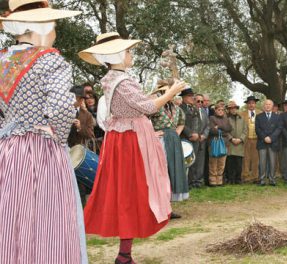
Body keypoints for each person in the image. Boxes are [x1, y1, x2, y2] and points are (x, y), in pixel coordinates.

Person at [79, 32, 186, 263]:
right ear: (117, 53)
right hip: (130, 141)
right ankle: (124, 254)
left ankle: (124, 254)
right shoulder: (122, 80)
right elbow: (148, 108)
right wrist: (171, 92)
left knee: (127, 193)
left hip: (124, 137)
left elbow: (133, 106)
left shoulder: (112, 78)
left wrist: (156, 94)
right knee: (133, 192)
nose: (131, 54)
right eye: (128, 51)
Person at [0, 1, 86, 263]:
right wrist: (58, 139)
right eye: (54, 25)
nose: (55, 32)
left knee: (11, 219)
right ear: (41, 26)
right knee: (47, 219)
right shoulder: (50, 60)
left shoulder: (2, 60)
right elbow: (61, 107)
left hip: (8, 150)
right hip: (41, 151)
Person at [150, 80, 188, 219]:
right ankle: (158, 208)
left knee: (173, 171)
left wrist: (175, 133)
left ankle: (168, 208)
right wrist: (152, 133)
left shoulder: (177, 108)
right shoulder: (155, 106)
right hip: (159, 141)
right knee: (161, 173)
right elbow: (142, 120)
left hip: (173, 140)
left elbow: (182, 122)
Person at [255, 99, 282, 186]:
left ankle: (272, 179)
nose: (267, 106)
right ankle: (262, 179)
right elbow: (257, 129)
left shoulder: (277, 117)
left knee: (273, 162)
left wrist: (271, 138)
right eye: (266, 104)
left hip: (273, 142)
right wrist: (264, 137)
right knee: (262, 162)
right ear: (264, 106)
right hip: (262, 142)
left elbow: (279, 129)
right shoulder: (259, 116)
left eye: (269, 104)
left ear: (272, 106)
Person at [179, 88, 202, 188]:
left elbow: (199, 123)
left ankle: (191, 182)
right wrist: (190, 134)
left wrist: (197, 134)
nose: (192, 97)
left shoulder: (195, 108)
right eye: (190, 96)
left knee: (193, 161)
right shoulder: (180, 108)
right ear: (184, 97)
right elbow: (181, 123)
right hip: (184, 139)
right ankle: (184, 183)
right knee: (184, 162)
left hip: (195, 139)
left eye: (193, 95)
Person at [208, 103, 232, 186]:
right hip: (214, 142)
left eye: (222, 110)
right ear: (215, 110)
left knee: (222, 162)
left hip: (224, 143)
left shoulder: (226, 119)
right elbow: (211, 130)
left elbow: (229, 129)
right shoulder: (211, 118)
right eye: (219, 110)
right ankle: (213, 180)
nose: (221, 111)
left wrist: (218, 127)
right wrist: (222, 129)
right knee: (213, 162)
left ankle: (219, 180)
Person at [225, 100, 247, 184]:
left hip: (239, 144)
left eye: (235, 108)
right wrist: (231, 139)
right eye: (231, 108)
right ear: (229, 109)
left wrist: (241, 139)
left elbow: (245, 130)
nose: (233, 110)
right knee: (230, 163)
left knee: (238, 163)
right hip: (230, 144)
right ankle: (230, 179)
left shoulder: (241, 118)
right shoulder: (226, 118)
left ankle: (238, 179)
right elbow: (225, 131)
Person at [241, 95, 261, 183]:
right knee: (246, 158)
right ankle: (245, 176)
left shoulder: (260, 113)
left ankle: (255, 177)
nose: (251, 105)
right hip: (246, 139)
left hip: (256, 139)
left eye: (253, 103)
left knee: (256, 158)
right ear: (247, 105)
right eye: (249, 103)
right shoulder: (242, 114)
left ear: (255, 104)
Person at [193, 93, 210, 186]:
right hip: (193, 140)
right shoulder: (191, 110)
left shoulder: (204, 112)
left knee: (200, 161)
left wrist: (204, 135)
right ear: (194, 100)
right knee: (193, 161)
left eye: (201, 101)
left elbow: (207, 125)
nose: (200, 103)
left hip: (202, 140)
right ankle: (191, 181)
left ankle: (198, 181)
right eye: (198, 101)